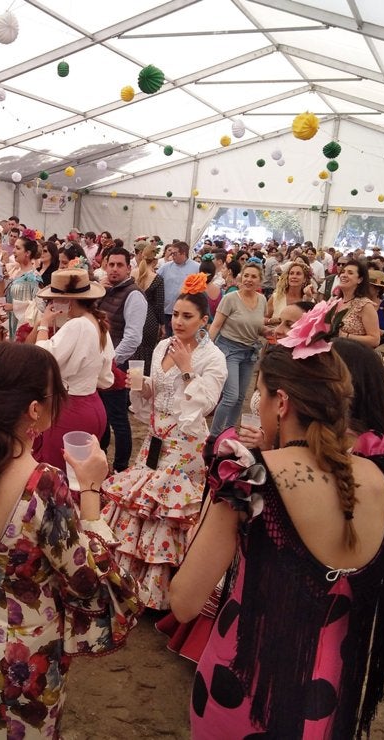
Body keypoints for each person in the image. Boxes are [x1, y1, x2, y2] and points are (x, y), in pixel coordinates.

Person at [171, 334, 384, 738]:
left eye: (260, 395)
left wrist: (219, 502)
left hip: (242, 682)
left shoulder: (253, 480)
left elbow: (184, 602)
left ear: (281, 402)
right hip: (328, 692)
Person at [0, 342, 141, 738]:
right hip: (24, 658)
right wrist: (91, 489)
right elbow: (87, 582)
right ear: (34, 410)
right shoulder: (42, 483)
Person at [102, 276, 226, 609]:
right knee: (142, 506)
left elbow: (207, 404)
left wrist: (188, 370)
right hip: (155, 439)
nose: (179, 322)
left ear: (204, 320)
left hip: (185, 446)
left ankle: (167, 590)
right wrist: (141, 388)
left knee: (167, 512)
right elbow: (156, 395)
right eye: (175, 315)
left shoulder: (212, 358)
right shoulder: (161, 347)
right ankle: (133, 583)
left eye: (188, 316)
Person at [27, 268, 114, 471]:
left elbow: (43, 359)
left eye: (55, 299)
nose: (52, 304)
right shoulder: (98, 323)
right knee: (81, 470)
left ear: (68, 300)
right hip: (93, 404)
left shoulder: (77, 325)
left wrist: (44, 325)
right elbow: (105, 377)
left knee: (58, 470)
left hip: (71, 407)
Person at [98, 246, 148, 473]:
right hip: (106, 364)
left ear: (129, 268)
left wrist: (111, 362)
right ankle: (101, 459)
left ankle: (120, 468)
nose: (114, 269)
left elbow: (133, 338)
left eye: (120, 265)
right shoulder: (108, 290)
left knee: (118, 419)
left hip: (123, 365)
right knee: (103, 415)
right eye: (111, 264)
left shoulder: (134, 295)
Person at [208, 262, 266, 437]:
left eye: (253, 276)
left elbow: (258, 326)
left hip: (249, 352)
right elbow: (216, 325)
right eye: (246, 275)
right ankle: (214, 437)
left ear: (260, 281)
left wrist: (269, 330)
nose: (249, 279)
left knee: (241, 398)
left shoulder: (262, 300)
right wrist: (205, 350)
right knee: (231, 396)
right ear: (241, 277)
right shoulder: (230, 298)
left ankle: (228, 434)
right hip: (228, 350)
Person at [2, 235, 42, 340]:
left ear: (27, 253)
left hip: (24, 325)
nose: (14, 251)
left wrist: (14, 307)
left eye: (18, 248)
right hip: (13, 320)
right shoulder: (16, 272)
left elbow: (38, 306)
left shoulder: (33, 277)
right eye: (14, 247)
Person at [335, 259, 381, 348]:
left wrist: (345, 336)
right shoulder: (335, 301)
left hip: (353, 356)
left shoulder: (365, 305)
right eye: (343, 272)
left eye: (350, 273)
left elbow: (375, 340)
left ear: (359, 279)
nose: (344, 275)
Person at [157, 241, 199, 334]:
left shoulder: (196, 268)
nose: (172, 256)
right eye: (171, 253)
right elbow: (155, 281)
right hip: (167, 310)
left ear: (183, 253)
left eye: (174, 254)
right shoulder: (165, 267)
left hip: (186, 313)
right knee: (167, 339)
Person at [134, 241, 166, 361]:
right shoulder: (157, 279)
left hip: (133, 316)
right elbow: (159, 305)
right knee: (147, 356)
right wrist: (162, 325)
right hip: (150, 320)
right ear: (155, 260)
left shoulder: (132, 274)